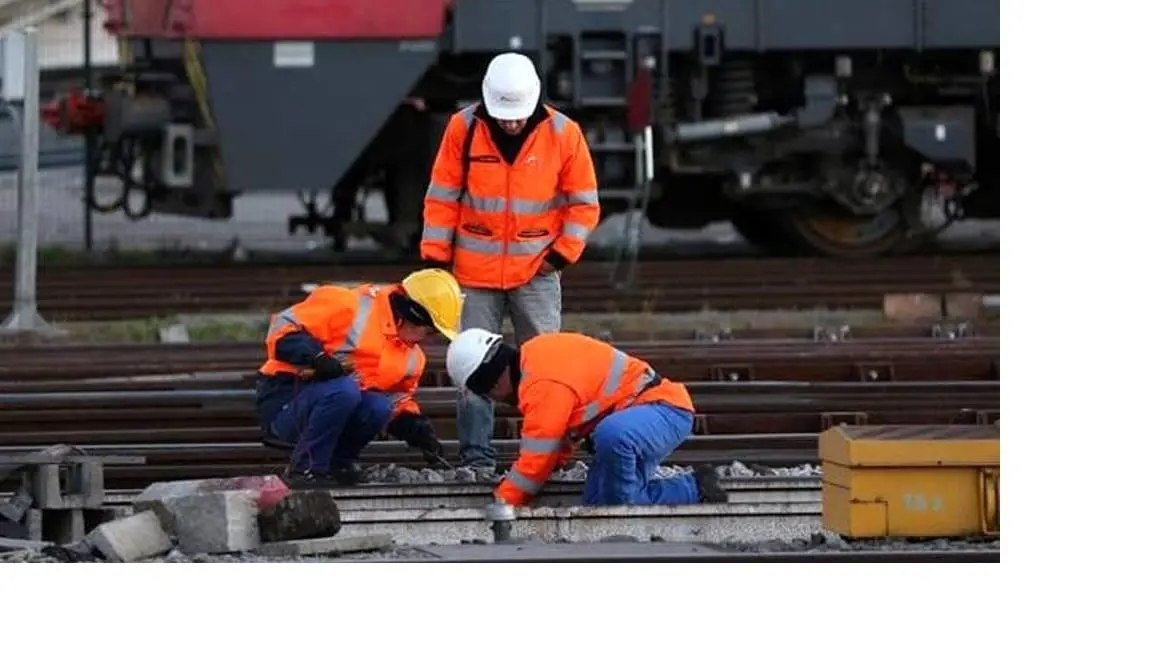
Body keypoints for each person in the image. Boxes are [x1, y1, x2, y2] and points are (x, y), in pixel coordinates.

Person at [420, 52, 601, 472]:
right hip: (473, 274)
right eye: (504, 117)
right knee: (470, 366)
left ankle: (547, 454)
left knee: (545, 366)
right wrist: (435, 255)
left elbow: (584, 203)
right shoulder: (463, 128)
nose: (511, 124)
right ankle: (476, 457)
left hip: (536, 272)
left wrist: (559, 255)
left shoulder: (563, 133)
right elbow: (442, 194)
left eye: (517, 117)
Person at [444, 328, 730, 507]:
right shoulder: (536, 358)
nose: (497, 401)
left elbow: (536, 460)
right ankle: (696, 488)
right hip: (635, 422)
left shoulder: (541, 384)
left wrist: (503, 503)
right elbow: (558, 439)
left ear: (491, 382)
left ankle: (691, 488)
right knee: (599, 506)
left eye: (489, 394)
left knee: (611, 439)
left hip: (663, 410)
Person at [255, 269, 463, 488]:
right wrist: (316, 358)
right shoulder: (348, 305)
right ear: (415, 316)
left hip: (328, 407)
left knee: (378, 405)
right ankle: (305, 470)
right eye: (431, 332)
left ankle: (338, 466)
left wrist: (415, 428)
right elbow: (281, 329)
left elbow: (395, 401)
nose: (430, 339)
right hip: (285, 402)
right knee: (345, 390)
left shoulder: (412, 357)